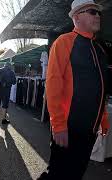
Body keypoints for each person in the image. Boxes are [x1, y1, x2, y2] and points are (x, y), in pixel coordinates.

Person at [38, 0, 110, 179]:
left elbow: (99, 87)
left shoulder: (99, 48)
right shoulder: (64, 42)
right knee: (58, 175)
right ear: (77, 17)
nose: (98, 15)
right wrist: (58, 124)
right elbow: (53, 84)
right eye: (92, 12)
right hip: (69, 128)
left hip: (90, 130)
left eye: (98, 12)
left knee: (76, 174)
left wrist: (103, 118)